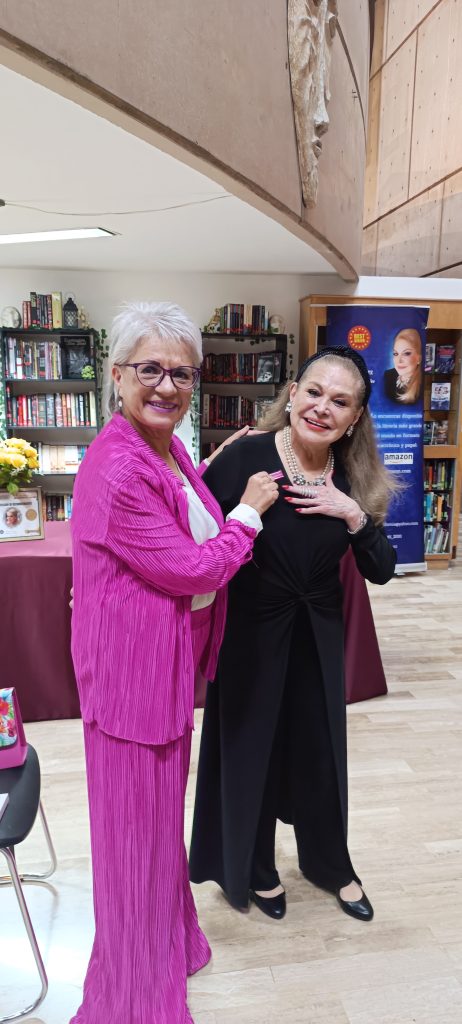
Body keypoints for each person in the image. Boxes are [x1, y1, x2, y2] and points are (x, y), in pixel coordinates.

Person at [70, 301, 278, 1024]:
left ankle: (167, 946)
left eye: (182, 373)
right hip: (130, 682)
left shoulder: (165, 445)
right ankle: (132, 1000)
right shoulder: (121, 466)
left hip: (161, 672)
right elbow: (192, 568)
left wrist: (212, 473)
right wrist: (248, 512)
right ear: (117, 375)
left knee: (157, 836)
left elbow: (179, 513)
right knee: (132, 850)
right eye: (150, 370)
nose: (167, 385)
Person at [190, 347, 398, 923]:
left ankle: (331, 863)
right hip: (251, 635)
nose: (322, 408)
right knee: (253, 748)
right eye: (314, 392)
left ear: (355, 417)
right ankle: (256, 866)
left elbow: (382, 568)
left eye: (340, 401)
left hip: (319, 636)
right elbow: (191, 535)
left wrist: (352, 514)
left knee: (320, 753)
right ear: (292, 393)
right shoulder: (248, 456)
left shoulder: (353, 475)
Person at [383, 328, 422, 404]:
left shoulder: (422, 383)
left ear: (419, 358)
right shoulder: (388, 375)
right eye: (396, 354)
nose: (399, 360)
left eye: (406, 353)